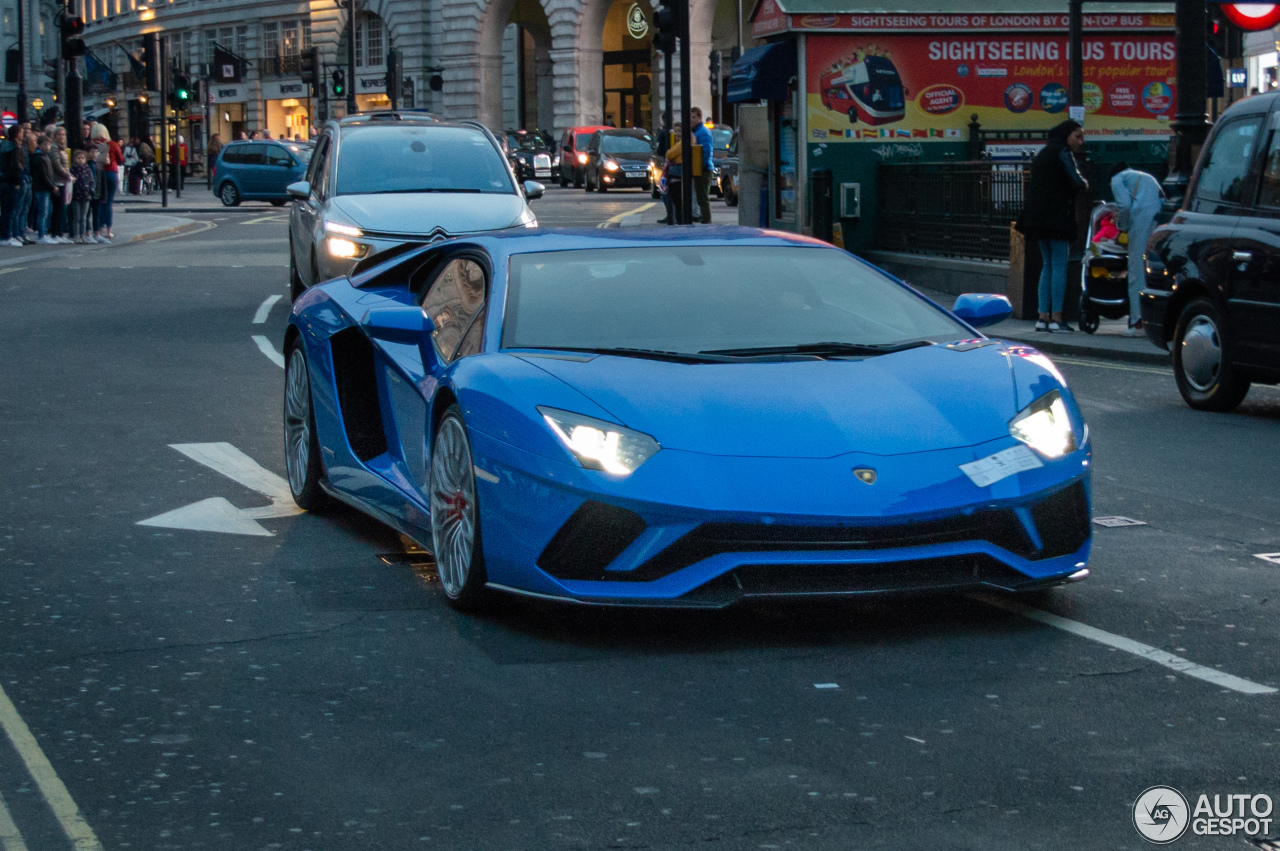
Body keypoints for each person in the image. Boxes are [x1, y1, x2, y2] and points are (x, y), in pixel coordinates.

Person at [1017, 119, 1087, 333]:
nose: (1080, 142)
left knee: (1047, 265)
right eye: (1077, 136)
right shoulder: (1063, 153)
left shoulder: (1043, 153)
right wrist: (1084, 183)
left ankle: (1042, 317)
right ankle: (1057, 317)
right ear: (1067, 135)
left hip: (1037, 219)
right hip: (1058, 218)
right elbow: (1077, 182)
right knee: (1059, 266)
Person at [1109, 162, 1164, 336]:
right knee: (1152, 269)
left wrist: (1122, 226)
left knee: (1136, 270)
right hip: (1158, 219)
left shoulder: (1117, 179)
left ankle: (1137, 322)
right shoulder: (1144, 176)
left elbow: (1124, 205)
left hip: (1141, 220)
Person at [92, 124, 122, 242]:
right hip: (111, 173)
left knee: (98, 202)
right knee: (109, 202)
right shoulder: (112, 144)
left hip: (98, 173)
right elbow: (120, 159)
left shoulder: (92, 144)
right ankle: (109, 230)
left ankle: (99, 229)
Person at [30, 135, 56, 244]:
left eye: (48, 144)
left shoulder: (45, 157)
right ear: (39, 145)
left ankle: (44, 232)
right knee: (43, 211)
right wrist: (51, 186)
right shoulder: (39, 158)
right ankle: (42, 234)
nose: (47, 146)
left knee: (46, 211)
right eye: (45, 144)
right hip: (42, 188)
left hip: (44, 187)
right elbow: (43, 175)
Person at [690, 107, 714, 225]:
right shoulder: (696, 131)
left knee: (702, 197)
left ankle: (706, 220)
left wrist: (699, 167)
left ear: (700, 118)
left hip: (703, 169)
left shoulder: (703, 132)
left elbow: (706, 151)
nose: (691, 119)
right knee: (700, 196)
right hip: (700, 168)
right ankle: (705, 219)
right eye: (690, 117)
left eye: (694, 117)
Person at [69, 148, 95, 244]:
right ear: (75, 159)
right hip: (76, 195)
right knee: (77, 217)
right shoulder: (72, 169)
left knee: (84, 217)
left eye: (82, 158)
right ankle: (76, 235)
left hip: (86, 195)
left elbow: (92, 181)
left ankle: (83, 235)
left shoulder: (88, 169)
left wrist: (91, 190)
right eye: (78, 158)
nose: (81, 160)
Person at [49, 127, 71, 243]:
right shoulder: (54, 148)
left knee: (62, 208)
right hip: (58, 181)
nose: (61, 137)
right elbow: (57, 165)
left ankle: (60, 232)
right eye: (59, 135)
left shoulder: (63, 148)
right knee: (57, 208)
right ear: (55, 136)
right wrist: (67, 175)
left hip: (64, 181)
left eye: (63, 135)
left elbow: (66, 165)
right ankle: (55, 233)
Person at [0, 125, 20, 247]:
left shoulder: (3, 146)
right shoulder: (13, 147)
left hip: (3, 179)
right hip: (10, 181)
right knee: (10, 210)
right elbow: (14, 166)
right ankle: (7, 236)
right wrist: (17, 181)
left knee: (6, 210)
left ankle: (6, 235)